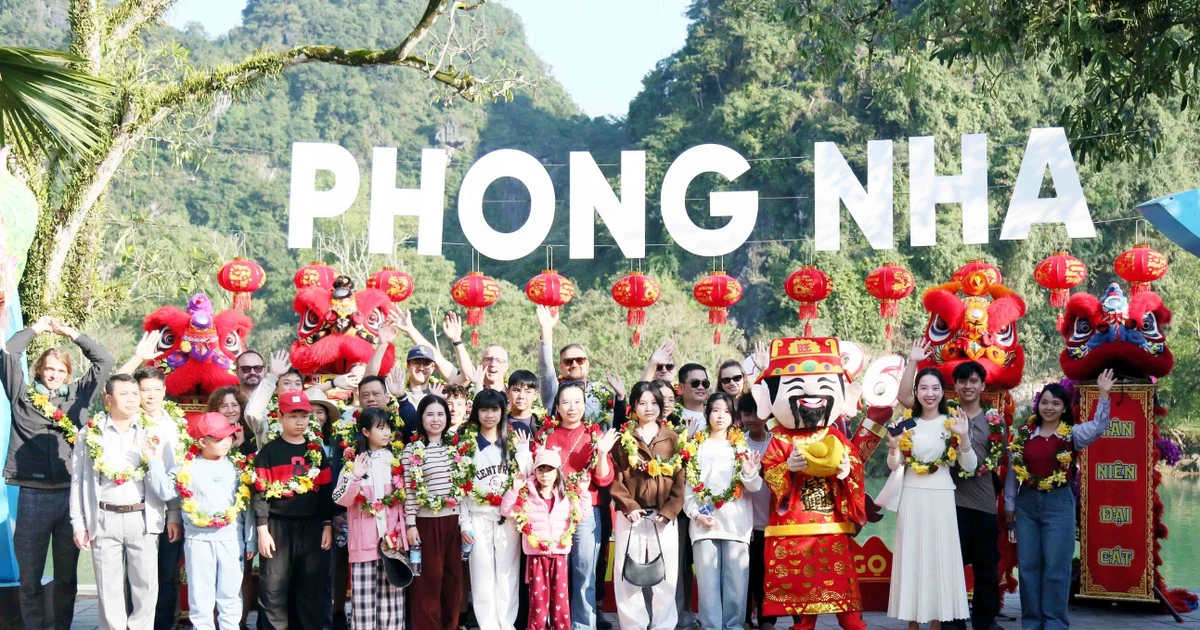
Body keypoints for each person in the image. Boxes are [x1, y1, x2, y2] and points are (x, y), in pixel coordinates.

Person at [2, 316, 113, 630]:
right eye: (48, 369)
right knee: (30, 577)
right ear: (39, 370)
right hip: (32, 496)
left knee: (66, 577)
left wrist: (71, 332)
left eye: (60, 370)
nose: (53, 375)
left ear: (68, 374)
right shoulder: (21, 396)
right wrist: (37, 328)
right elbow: (9, 352)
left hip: (69, 497)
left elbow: (104, 360)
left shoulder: (78, 396)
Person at [754, 337, 867, 630]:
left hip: (831, 531)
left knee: (847, 604)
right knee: (802, 606)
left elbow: (855, 467)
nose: (811, 393)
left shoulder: (835, 436)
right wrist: (787, 469)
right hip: (794, 531)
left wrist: (845, 472)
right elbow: (770, 474)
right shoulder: (780, 440)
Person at [1004, 370, 1115, 630]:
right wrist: (1009, 505)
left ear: (1064, 407)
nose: (1049, 407)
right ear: (1038, 405)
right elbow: (1011, 472)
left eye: (1055, 403)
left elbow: (1098, 427)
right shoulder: (1023, 435)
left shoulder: (1072, 434)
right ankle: (1031, 623)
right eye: (1045, 402)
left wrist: (1104, 394)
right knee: (1029, 567)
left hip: (1059, 504)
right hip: (1027, 504)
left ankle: (1054, 623)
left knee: (1056, 567)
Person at [69, 373, 169, 630]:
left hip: (143, 517)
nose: (132, 399)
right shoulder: (89, 434)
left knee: (146, 587)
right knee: (108, 588)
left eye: (135, 394)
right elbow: (79, 481)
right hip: (104, 518)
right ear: (108, 398)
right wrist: (79, 523)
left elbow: (169, 477)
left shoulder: (152, 431)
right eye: (124, 394)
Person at [145, 412, 256, 630]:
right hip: (198, 541)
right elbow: (166, 492)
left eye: (229, 436)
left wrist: (250, 540)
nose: (226, 442)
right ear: (203, 441)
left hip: (232, 540)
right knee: (201, 599)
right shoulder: (187, 468)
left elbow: (248, 508)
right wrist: (155, 461)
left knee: (230, 597)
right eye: (218, 438)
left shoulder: (238, 467)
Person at [885, 366, 974, 629]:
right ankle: (912, 623)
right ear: (916, 392)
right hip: (911, 497)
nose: (929, 393)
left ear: (942, 392)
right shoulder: (907, 424)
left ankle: (936, 623)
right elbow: (894, 466)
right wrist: (893, 445)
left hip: (942, 498)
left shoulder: (952, 423)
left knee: (939, 559)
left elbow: (969, 467)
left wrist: (965, 435)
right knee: (913, 557)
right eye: (923, 388)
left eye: (935, 388)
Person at [533, 382, 618, 630]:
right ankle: (556, 624)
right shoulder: (545, 436)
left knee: (584, 574)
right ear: (557, 406)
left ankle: (583, 625)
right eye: (566, 402)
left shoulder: (594, 436)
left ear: (585, 405)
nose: (572, 408)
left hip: (586, 512)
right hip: (552, 512)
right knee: (556, 574)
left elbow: (604, 478)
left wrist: (602, 453)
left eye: (578, 402)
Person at [252, 391, 335, 630]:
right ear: (280, 417)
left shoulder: (316, 452)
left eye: (304, 416)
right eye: (293, 415)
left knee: (310, 589)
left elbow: (325, 491)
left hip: (311, 528)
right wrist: (262, 530)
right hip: (277, 528)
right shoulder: (268, 452)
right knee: (273, 590)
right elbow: (260, 493)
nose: (299, 421)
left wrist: (327, 525)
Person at [609, 381, 686, 630]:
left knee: (666, 575)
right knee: (627, 575)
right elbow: (615, 477)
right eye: (642, 403)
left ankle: (663, 625)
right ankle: (633, 626)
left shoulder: (673, 438)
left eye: (654, 402)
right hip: (631, 516)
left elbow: (680, 482)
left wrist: (669, 511)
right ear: (633, 406)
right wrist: (628, 506)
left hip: (662, 517)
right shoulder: (623, 438)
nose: (648, 408)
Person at [684, 393, 762, 630]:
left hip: (736, 526)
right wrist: (696, 514)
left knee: (736, 587)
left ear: (733, 415)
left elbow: (755, 486)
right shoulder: (695, 445)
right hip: (703, 525)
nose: (720, 416)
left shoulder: (741, 446)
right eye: (715, 410)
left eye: (726, 411)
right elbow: (688, 487)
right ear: (707, 413)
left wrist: (749, 472)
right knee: (707, 588)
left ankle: (733, 627)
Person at [461, 389, 533, 630]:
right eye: (484, 409)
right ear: (476, 412)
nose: (489, 415)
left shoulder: (513, 442)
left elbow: (528, 477)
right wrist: (465, 523)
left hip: (509, 518)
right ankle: (488, 625)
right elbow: (460, 489)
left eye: (494, 409)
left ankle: (506, 623)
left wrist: (524, 452)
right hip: (477, 517)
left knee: (507, 574)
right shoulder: (467, 445)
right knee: (481, 575)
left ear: (503, 411)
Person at [332, 407, 407, 630]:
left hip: (392, 545)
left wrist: (402, 535)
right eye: (380, 428)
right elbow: (341, 499)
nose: (386, 433)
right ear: (365, 431)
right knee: (363, 611)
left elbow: (402, 504)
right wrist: (355, 476)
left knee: (392, 609)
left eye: (388, 428)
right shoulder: (353, 460)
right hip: (363, 547)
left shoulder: (395, 460)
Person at [403, 395, 470, 630]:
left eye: (440, 414)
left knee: (453, 584)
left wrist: (464, 525)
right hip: (426, 524)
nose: (436, 419)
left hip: (452, 523)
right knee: (427, 585)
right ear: (421, 418)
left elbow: (463, 489)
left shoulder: (457, 448)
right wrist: (411, 525)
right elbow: (410, 492)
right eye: (430, 414)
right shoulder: (412, 451)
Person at [500, 448, 580, 630]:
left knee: (560, 600)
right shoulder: (527, 495)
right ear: (534, 471)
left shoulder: (566, 495)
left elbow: (582, 513)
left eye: (549, 470)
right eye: (541, 469)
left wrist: (582, 493)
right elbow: (505, 510)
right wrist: (515, 489)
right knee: (538, 601)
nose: (545, 475)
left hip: (559, 554)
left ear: (558, 472)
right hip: (536, 555)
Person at [133, 366, 187, 630]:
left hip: (165, 514)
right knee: (135, 578)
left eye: (157, 390)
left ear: (165, 391)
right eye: (145, 390)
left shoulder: (174, 425)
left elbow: (177, 475)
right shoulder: (125, 422)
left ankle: (164, 625)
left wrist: (175, 514)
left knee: (167, 576)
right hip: (130, 512)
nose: (151, 396)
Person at [675, 363, 710, 630]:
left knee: (704, 560)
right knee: (679, 558)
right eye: (695, 383)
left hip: (711, 502)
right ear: (682, 387)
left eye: (705, 383)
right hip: (679, 498)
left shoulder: (718, 414)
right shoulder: (672, 416)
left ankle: (710, 615)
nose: (701, 387)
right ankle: (679, 613)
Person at [736, 394, 775, 630]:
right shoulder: (738, 443)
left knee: (766, 573)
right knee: (744, 574)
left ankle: (767, 618)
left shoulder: (777, 443)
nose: (751, 419)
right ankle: (744, 618)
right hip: (743, 521)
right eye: (746, 414)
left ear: (767, 414)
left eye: (756, 413)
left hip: (769, 520)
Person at [444, 312, 509, 392]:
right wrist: (456, 340)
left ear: (506, 367)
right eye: (488, 359)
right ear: (481, 364)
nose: (493, 364)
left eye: (499, 360)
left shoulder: (513, 394)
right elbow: (468, 375)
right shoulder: (470, 390)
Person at [506, 369, 542, 435]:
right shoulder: (499, 423)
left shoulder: (542, 425)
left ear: (535, 395)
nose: (521, 396)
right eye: (516, 390)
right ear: (508, 392)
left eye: (527, 392)